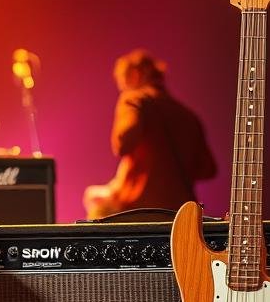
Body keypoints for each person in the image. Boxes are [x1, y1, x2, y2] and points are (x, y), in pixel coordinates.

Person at [83, 49, 217, 219]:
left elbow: (123, 144)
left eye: (124, 81)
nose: (123, 87)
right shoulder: (188, 115)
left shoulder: (134, 100)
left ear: (136, 74)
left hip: (138, 210)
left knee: (93, 199)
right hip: (180, 213)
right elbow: (208, 169)